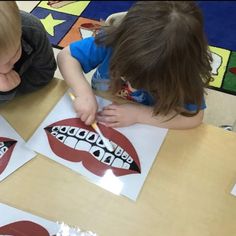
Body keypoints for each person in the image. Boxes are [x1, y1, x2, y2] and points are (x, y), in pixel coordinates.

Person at [57, 1, 213, 129]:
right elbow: (66, 56)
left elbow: (194, 118)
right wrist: (83, 93)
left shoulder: (184, 76)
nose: (131, 88)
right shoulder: (112, 42)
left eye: (151, 86)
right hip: (102, 103)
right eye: (125, 76)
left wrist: (139, 114)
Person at [0, 1, 56, 104]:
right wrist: (3, 94)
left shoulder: (33, 31)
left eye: (14, 54)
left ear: (20, 32)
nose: (6, 69)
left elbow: (45, 72)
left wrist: (15, 88)